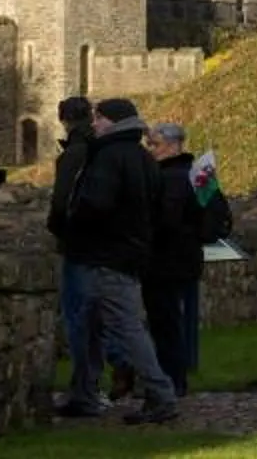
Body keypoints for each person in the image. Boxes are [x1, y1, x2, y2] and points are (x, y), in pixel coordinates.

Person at [57, 97, 179, 425]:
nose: (94, 123)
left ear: (112, 122)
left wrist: (73, 223)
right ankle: (84, 393)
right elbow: (156, 210)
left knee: (124, 328)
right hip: (127, 252)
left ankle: (161, 394)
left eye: (99, 118)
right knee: (92, 328)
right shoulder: (143, 158)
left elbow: (96, 205)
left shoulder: (109, 157)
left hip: (103, 255)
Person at [143, 122, 206, 394]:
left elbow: (166, 221)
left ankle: (171, 382)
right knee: (177, 322)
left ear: (171, 146)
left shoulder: (169, 178)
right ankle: (176, 377)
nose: (151, 150)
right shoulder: (196, 174)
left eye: (155, 145)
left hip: (166, 260)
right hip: (188, 257)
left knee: (166, 324)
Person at [40, 97, 95, 394]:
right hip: (110, 243)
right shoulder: (105, 150)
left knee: (77, 316)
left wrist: (57, 229)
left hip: (78, 243)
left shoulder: (74, 153)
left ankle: (84, 387)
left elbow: (60, 202)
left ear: (64, 120)